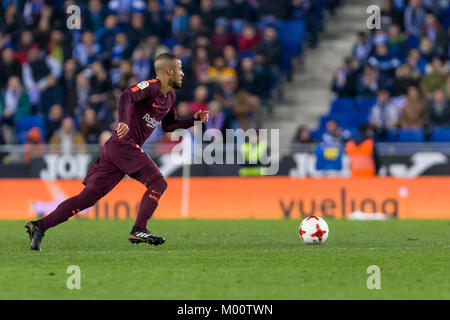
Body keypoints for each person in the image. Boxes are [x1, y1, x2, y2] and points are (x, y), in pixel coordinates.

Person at [25, 53, 209, 251]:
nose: (182, 74)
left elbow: (169, 125)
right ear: (169, 71)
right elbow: (126, 95)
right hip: (124, 144)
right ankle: (139, 228)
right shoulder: (151, 86)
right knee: (158, 182)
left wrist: (194, 120)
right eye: (180, 69)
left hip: (118, 149)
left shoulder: (170, 96)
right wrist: (123, 120)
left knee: (87, 198)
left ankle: (39, 226)